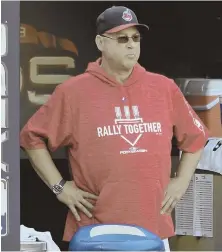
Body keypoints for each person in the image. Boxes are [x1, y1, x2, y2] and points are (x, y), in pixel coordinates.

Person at [20, 6, 209, 251]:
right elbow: (31, 137)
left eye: (135, 38)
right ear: (101, 42)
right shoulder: (74, 92)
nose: (131, 45)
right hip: (94, 234)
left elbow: (196, 138)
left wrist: (182, 181)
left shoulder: (164, 88)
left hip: (153, 231)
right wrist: (60, 187)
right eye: (122, 38)